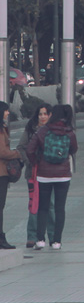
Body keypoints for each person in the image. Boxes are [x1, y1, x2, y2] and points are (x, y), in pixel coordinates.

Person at [27, 103, 77, 251]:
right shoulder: (69, 131)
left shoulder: (43, 131)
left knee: (43, 207)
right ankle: (57, 242)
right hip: (63, 175)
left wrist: (36, 161)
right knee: (59, 208)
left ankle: (40, 239)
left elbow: (30, 149)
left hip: (44, 174)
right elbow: (74, 149)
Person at [20, 105, 49, 248]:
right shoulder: (30, 129)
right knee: (33, 204)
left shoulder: (53, 129)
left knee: (51, 205)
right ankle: (32, 236)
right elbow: (21, 147)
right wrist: (29, 161)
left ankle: (52, 236)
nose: (42, 117)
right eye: (40, 114)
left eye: (45, 114)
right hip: (32, 173)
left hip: (49, 173)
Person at [0, 103, 18, 249]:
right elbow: (2, 152)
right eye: (6, 111)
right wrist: (17, 154)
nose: (7, 113)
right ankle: (1, 238)